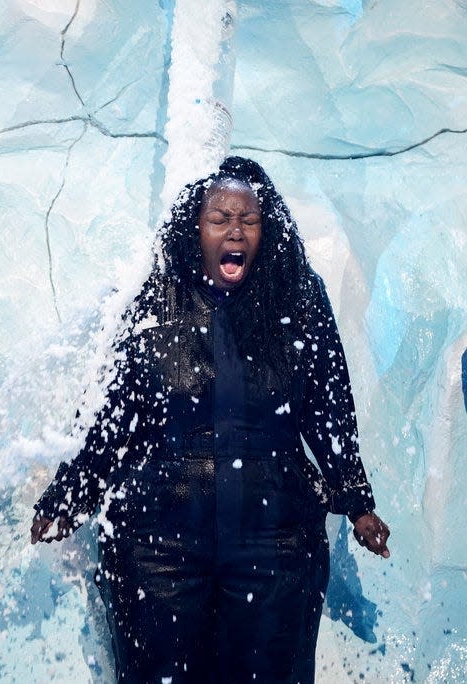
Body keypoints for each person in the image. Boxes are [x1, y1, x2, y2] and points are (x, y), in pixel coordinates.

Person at [30, 156, 390, 683]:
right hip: (160, 542)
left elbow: (329, 405)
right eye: (220, 219)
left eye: (248, 220)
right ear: (195, 228)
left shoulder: (297, 296)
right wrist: (71, 496)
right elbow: (113, 411)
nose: (235, 230)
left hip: (275, 541)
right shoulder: (156, 294)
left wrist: (356, 503)